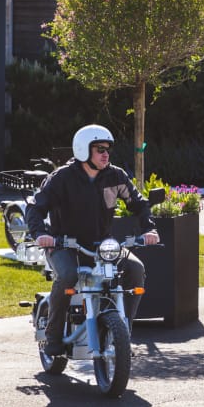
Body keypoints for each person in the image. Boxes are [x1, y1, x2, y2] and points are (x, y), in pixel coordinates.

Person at [26, 124, 160, 356]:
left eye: (108, 149)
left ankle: (123, 333)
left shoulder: (115, 176)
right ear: (83, 150)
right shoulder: (62, 178)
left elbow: (139, 203)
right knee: (68, 275)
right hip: (64, 244)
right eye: (100, 149)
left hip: (102, 246)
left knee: (135, 269)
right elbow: (35, 208)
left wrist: (150, 229)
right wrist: (41, 234)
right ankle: (53, 336)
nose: (106, 154)